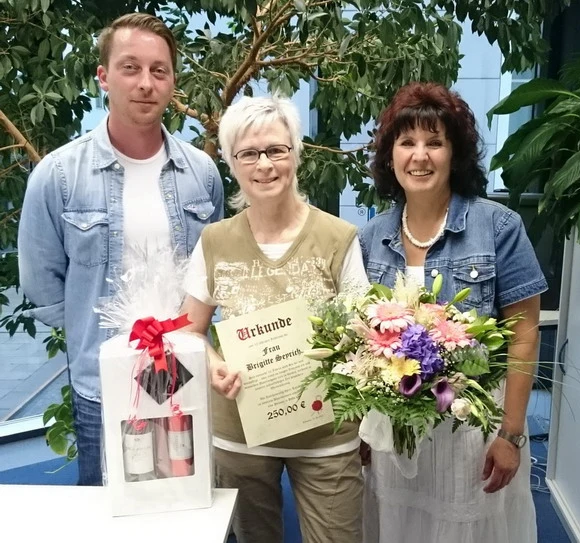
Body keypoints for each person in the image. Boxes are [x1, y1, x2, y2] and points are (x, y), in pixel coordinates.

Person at [18, 13, 224, 486]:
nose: (145, 83)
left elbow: (212, 275)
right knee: (109, 505)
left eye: (159, 70)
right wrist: (96, 335)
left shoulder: (202, 174)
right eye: (130, 68)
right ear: (104, 76)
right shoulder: (58, 176)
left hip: (186, 375)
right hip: (102, 383)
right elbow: (42, 285)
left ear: (172, 81)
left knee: (191, 503)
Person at [359, 82, 547, 542]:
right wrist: (362, 429)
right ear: (390, 156)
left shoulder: (498, 226)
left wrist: (511, 434)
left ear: (455, 153)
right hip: (398, 431)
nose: (420, 156)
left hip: (472, 431)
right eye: (407, 142)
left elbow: (525, 334)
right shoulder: (370, 238)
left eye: (435, 142)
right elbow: (362, 342)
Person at [182, 95, 368, 543]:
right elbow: (189, 328)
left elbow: (364, 333)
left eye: (276, 150)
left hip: (326, 432)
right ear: (231, 163)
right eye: (248, 153)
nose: (264, 164)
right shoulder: (214, 241)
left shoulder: (338, 237)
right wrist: (214, 366)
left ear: (295, 154)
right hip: (240, 433)